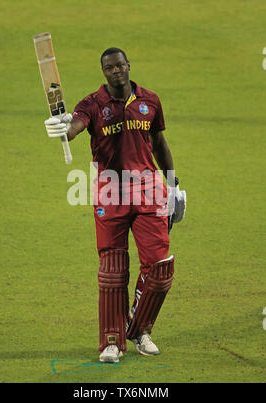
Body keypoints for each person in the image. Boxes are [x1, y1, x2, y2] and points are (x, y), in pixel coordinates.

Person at [44, 48, 186, 363]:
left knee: (160, 268)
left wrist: (173, 185)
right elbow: (75, 126)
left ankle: (138, 328)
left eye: (120, 65)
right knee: (112, 271)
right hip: (111, 193)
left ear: (128, 66)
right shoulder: (92, 104)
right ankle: (112, 341)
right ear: (103, 72)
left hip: (149, 190)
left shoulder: (149, 100)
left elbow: (160, 143)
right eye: (109, 68)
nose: (116, 71)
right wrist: (62, 128)